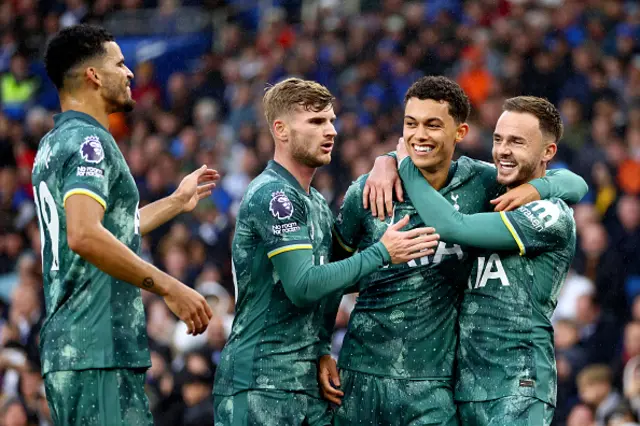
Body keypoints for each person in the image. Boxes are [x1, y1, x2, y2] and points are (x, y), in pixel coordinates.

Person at [321, 77, 587, 425]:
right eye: (411, 124)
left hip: (445, 388)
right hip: (363, 376)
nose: (420, 135)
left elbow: (575, 184)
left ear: (460, 132)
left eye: (433, 125)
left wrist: (544, 185)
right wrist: (321, 346)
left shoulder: (486, 185)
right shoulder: (369, 191)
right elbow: (329, 278)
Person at [212, 77, 440, 426]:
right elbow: (303, 285)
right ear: (281, 130)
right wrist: (381, 252)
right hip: (260, 383)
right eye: (316, 122)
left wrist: (319, 348)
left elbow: (331, 280)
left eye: (332, 120)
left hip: (304, 383)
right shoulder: (275, 196)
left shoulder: (315, 202)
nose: (331, 130)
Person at [32, 24, 217, 425]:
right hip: (96, 345)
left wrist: (175, 202)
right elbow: (84, 235)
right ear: (93, 76)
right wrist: (168, 286)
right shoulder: (89, 142)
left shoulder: (54, 142)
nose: (130, 72)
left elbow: (107, 228)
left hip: (76, 348)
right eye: (120, 63)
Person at [394, 95, 581, 425]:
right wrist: (384, 162)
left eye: (517, 142)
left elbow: (452, 226)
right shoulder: (489, 193)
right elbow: (574, 182)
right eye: (498, 139)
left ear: (548, 152)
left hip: (519, 384)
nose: (503, 150)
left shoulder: (550, 214)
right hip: (468, 388)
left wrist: (405, 165)